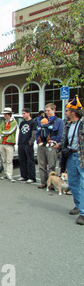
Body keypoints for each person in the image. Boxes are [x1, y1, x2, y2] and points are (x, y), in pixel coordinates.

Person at [55, 96, 84, 225]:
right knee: (73, 184)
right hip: (70, 157)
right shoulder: (68, 125)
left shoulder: (82, 123)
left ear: (73, 112)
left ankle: (83, 213)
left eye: (67, 110)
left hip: (81, 156)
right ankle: (79, 206)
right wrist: (58, 146)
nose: (65, 112)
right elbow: (65, 141)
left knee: (82, 185)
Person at [36, 103, 65, 189]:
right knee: (41, 165)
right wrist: (38, 141)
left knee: (51, 165)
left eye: (49, 110)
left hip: (51, 146)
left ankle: (51, 183)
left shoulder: (59, 121)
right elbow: (38, 132)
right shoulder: (43, 121)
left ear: (54, 110)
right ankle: (43, 182)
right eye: (46, 111)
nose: (47, 112)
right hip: (42, 145)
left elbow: (60, 134)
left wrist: (54, 142)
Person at [0, 107, 18, 183]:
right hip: (2, 143)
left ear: (9, 114)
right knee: (4, 160)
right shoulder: (3, 122)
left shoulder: (14, 122)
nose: (4, 115)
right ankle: (6, 173)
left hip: (9, 144)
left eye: (5, 114)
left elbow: (10, 131)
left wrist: (3, 133)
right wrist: (3, 133)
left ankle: (10, 175)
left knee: (9, 160)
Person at [18, 108, 37, 183]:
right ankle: (24, 175)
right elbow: (20, 132)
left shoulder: (33, 122)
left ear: (28, 113)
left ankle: (32, 177)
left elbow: (34, 133)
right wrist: (19, 142)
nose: (23, 115)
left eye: (24, 113)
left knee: (30, 161)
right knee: (22, 160)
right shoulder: (22, 123)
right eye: (22, 113)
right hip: (21, 143)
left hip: (28, 144)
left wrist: (31, 142)